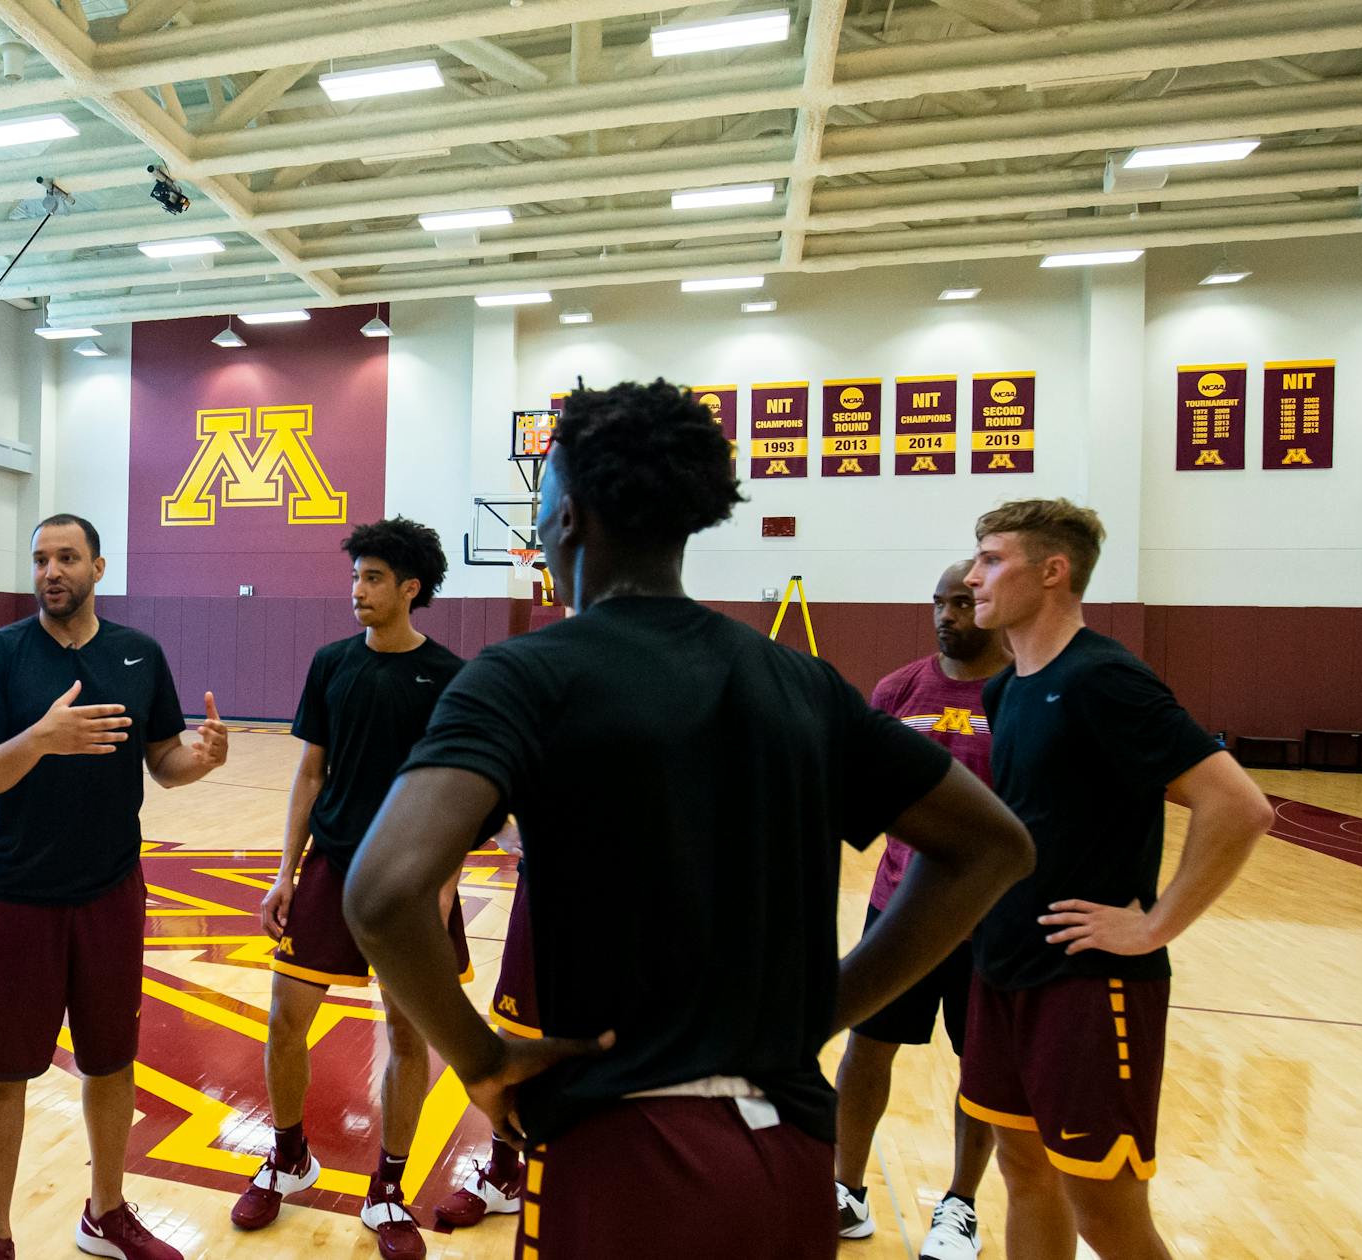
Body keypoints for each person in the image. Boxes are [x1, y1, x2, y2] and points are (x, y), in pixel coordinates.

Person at [342, 379, 1035, 1258]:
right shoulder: (802, 682)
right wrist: (830, 1004)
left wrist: (481, 1060)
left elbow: (382, 893)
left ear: (568, 515)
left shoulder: (525, 676)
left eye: (542, 492)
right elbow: (992, 846)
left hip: (621, 1146)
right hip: (789, 1153)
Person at [960, 499, 1272, 1260]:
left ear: (1053, 571)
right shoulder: (1006, 687)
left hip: (1088, 981)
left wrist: (1156, 925)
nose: (972, 576)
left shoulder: (1103, 678)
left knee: (1103, 1210)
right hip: (1004, 967)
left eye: (992, 559)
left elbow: (1238, 806)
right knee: (1023, 1172)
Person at [0, 513, 231, 1260]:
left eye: (67, 557)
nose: (51, 571)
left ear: (98, 568)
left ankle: (105, 1213)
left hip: (109, 892)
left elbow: (163, 762)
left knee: (111, 1061)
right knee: (3, 1074)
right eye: (41, 558)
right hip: (17, 896)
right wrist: (40, 739)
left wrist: (200, 761)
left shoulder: (139, 655)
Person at [231, 518, 468, 1260]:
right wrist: (285, 872)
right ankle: (288, 1156)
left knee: (406, 1034)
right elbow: (310, 774)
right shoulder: (332, 663)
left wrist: (445, 885)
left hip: (410, 877)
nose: (357, 589)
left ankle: (388, 1188)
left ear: (410, 589)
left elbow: (460, 790)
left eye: (373, 578)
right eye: (355, 576)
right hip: (331, 869)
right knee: (284, 1019)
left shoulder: (449, 675)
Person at [833, 561, 1012, 1260]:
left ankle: (960, 1205)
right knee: (866, 1049)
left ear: (989, 604)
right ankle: (846, 1190)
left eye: (962, 602)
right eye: (939, 603)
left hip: (992, 920)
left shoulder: (1021, 692)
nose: (947, 615)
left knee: (984, 1067)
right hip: (900, 909)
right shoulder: (897, 689)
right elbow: (862, 793)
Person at [432, 818, 533, 1232]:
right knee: (515, 1037)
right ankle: (504, 1174)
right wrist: (498, 823)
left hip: (640, 887)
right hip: (546, 885)